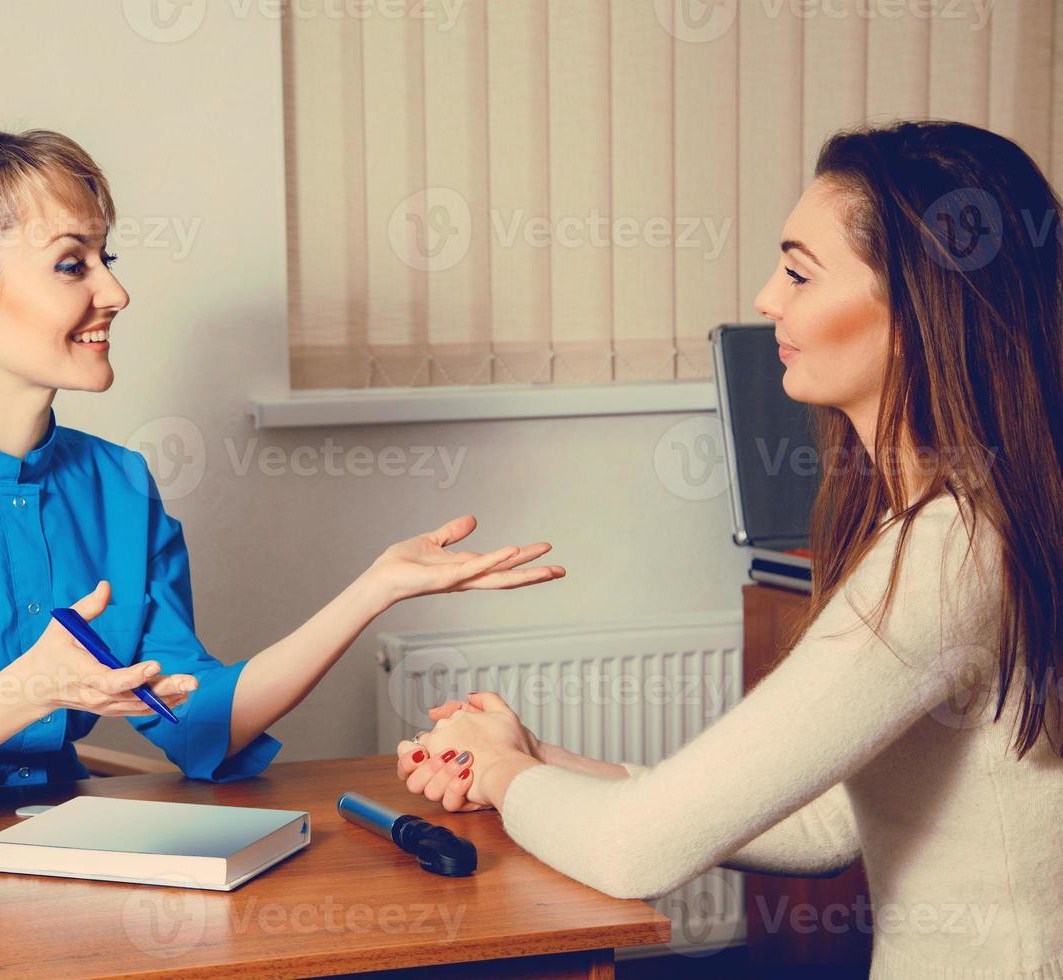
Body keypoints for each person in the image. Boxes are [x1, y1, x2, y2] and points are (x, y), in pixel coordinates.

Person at [0, 129, 565, 862]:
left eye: (107, 259)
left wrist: (375, 588)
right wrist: (28, 689)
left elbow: (197, 722)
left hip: (65, 868)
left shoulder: (116, 484)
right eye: (73, 263)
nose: (114, 293)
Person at [394, 119, 1063, 976]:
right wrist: (536, 761)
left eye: (797, 272)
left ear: (916, 312)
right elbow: (827, 825)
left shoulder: (945, 554)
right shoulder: (984, 521)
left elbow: (631, 854)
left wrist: (495, 777)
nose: (764, 299)